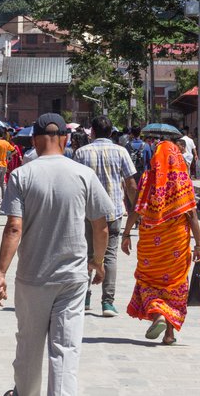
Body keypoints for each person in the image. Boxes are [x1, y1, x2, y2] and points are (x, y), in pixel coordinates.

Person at [0, 113, 114, 396]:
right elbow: (102, 226)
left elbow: (13, 227)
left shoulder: (22, 175)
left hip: (33, 275)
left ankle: (25, 393)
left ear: (34, 139)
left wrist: (0, 273)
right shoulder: (84, 174)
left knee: (29, 345)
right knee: (65, 349)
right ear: (65, 138)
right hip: (72, 277)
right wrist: (98, 261)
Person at [121, 139, 200, 345]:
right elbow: (192, 216)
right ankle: (169, 333)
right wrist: (199, 244)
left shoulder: (148, 178)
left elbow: (137, 209)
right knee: (176, 286)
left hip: (150, 247)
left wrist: (127, 233)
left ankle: (158, 315)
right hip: (176, 245)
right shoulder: (183, 180)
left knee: (149, 282)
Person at [74, 115, 138, 317]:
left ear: (91, 132)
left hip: (87, 212)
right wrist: (135, 209)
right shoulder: (121, 152)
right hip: (113, 212)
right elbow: (130, 183)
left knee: (86, 252)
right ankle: (108, 302)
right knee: (110, 256)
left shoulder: (81, 153)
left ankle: (84, 298)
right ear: (111, 133)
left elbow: (75, 184)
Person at [0, 129, 16, 206]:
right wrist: (8, 157)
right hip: (4, 163)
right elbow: (14, 151)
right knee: (3, 182)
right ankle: (4, 199)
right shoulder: (6, 143)